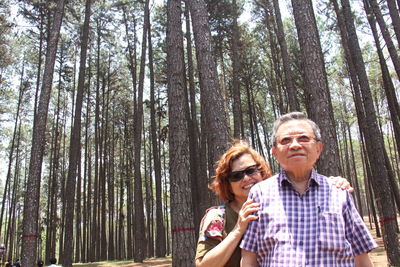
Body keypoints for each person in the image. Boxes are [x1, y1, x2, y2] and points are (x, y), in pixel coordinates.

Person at [240, 112, 377, 266]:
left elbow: (361, 255)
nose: (295, 145)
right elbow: (249, 256)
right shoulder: (259, 194)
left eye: (303, 138)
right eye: (285, 140)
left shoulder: (339, 192)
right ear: (275, 153)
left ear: (318, 148)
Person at [195, 140, 353, 267]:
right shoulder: (218, 217)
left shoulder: (282, 204)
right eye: (236, 176)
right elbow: (203, 264)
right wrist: (237, 230)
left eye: (251, 171)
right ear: (227, 183)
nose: (246, 178)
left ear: (262, 171)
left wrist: (334, 185)